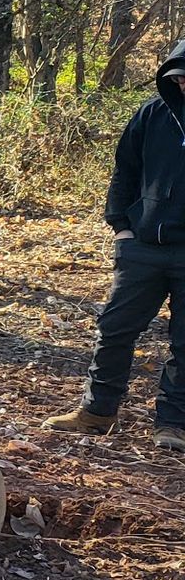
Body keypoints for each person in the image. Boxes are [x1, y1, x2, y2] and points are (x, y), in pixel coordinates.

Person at [44, 42, 185, 450]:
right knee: (114, 329)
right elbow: (124, 171)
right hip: (142, 245)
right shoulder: (151, 114)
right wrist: (120, 226)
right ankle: (97, 412)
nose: (180, 83)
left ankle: (172, 425)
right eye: (176, 76)